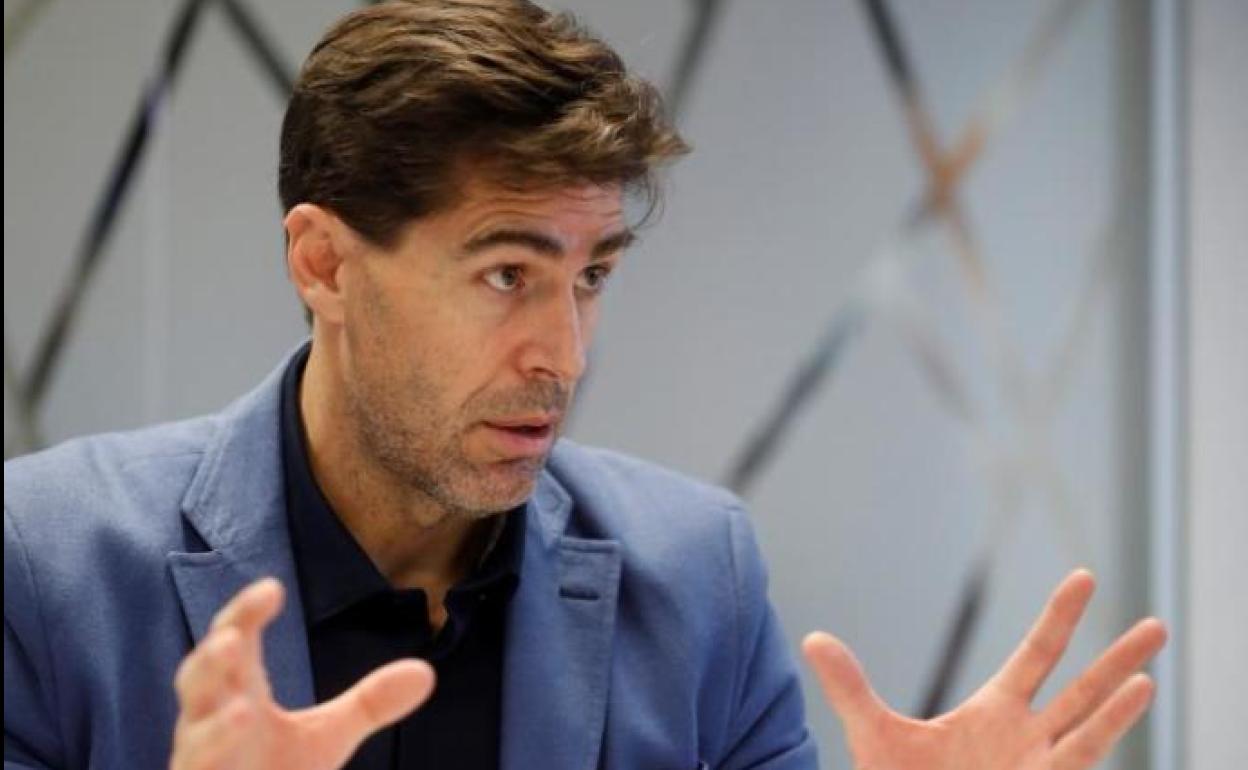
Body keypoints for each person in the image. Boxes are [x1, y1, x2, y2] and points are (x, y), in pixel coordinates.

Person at [3, 1, 1167, 768]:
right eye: (506, 273)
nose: (563, 353)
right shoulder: (47, 560)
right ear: (324, 264)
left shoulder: (697, 575)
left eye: (592, 275)